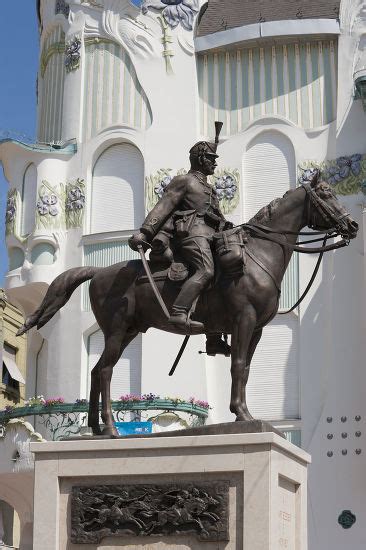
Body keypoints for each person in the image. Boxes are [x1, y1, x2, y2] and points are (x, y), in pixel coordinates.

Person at [129, 125, 233, 335]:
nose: (215, 162)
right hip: (192, 234)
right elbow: (164, 206)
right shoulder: (184, 181)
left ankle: (213, 335)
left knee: (227, 274)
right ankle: (179, 311)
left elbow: (217, 216)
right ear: (200, 159)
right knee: (207, 270)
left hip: (212, 236)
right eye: (211, 158)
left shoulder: (209, 189)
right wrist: (146, 231)